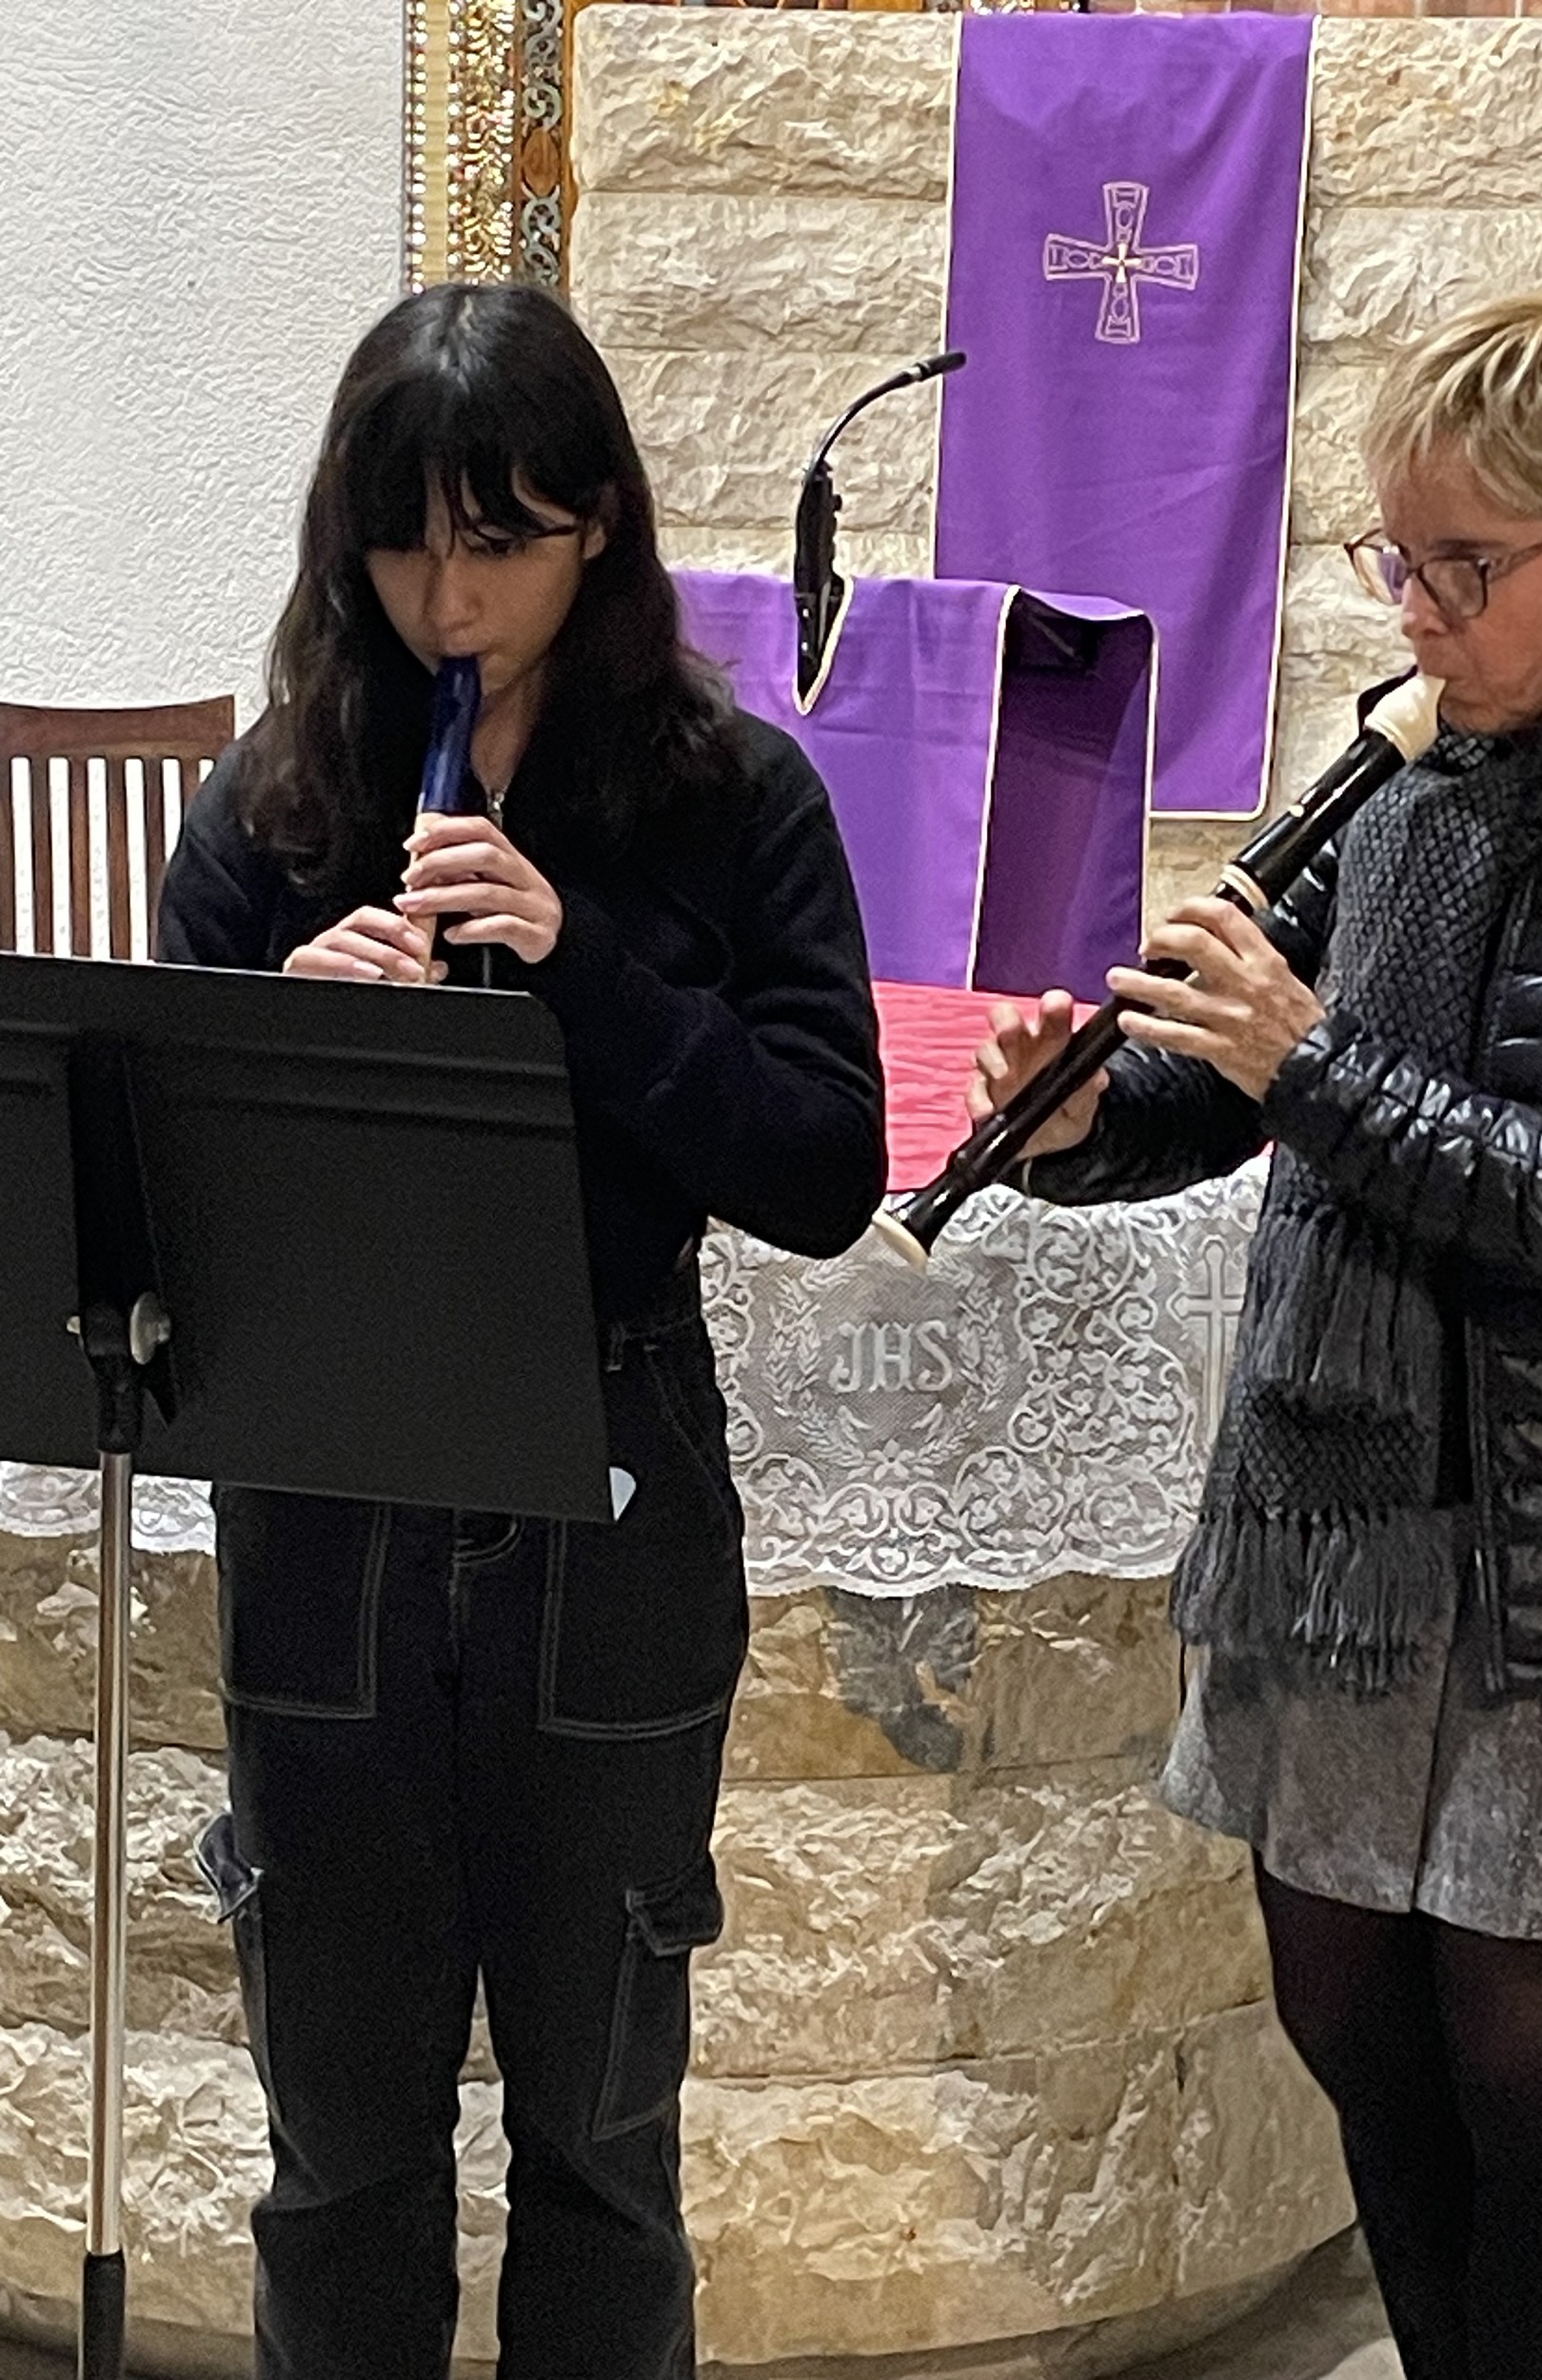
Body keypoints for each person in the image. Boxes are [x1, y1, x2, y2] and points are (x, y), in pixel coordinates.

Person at [971, 294, 1542, 2380]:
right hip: (1338, 1519)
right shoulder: (1406, 783)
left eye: (1467, 567)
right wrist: (1082, 1116)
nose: (1415, 610)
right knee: (1346, 2017)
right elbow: (1232, 1096)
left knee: (1528, 2061)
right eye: (1393, 557)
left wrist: (1309, 1060)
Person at [157, 281, 885, 2380]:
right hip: (334, 1495)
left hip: (610, 1477)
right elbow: (157, 1194)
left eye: (500, 543)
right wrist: (277, 1045)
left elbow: (822, 1167)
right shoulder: (278, 801)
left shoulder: (727, 796)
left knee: (599, 2136)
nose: (447, 599)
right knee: (340, 2149)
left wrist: (581, 971)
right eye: (400, 544)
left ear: (600, 528)